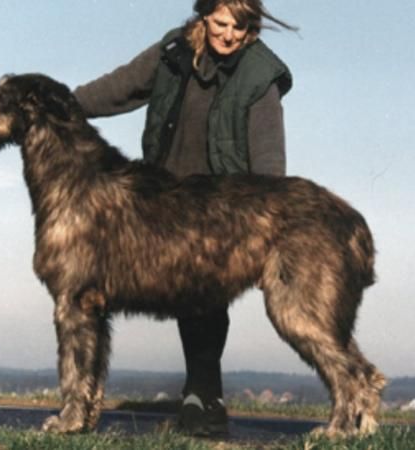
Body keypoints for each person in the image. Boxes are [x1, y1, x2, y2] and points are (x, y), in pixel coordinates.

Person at [72, 0, 295, 436]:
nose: (229, 34)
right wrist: (63, 103)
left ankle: (203, 392)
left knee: (205, 298)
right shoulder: (173, 51)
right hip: (167, 200)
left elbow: (270, 166)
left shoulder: (260, 75)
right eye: (221, 22)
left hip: (223, 210)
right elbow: (120, 87)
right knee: (184, 296)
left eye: (240, 26)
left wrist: (268, 234)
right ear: (203, 15)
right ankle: (204, 394)